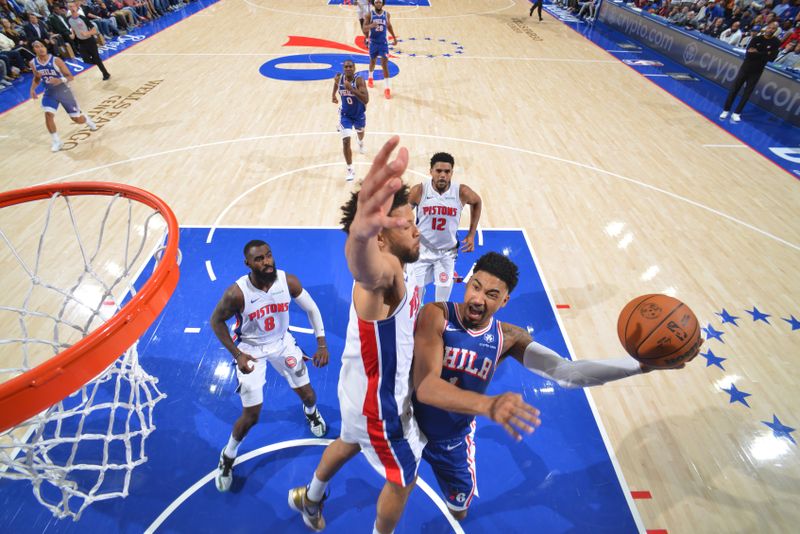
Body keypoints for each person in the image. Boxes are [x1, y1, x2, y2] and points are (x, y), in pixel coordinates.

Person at [287, 138, 538, 533]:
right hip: (381, 403)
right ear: (381, 238)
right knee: (404, 476)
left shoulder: (402, 268)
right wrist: (359, 235)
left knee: (350, 440)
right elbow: (364, 270)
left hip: (355, 386)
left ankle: (311, 497)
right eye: (407, 225)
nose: (418, 230)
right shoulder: (383, 278)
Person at [412, 252, 703, 520]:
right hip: (407, 422)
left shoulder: (509, 337)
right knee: (389, 475)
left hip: (453, 437)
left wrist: (640, 366)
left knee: (459, 509)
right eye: (475, 287)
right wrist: (489, 405)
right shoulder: (436, 315)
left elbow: (567, 373)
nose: (478, 299)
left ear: (504, 301)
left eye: (491, 294)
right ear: (467, 282)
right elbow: (427, 387)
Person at [210, 240, 329, 492]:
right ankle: (228, 456)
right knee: (251, 416)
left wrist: (321, 344)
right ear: (248, 264)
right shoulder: (237, 293)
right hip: (251, 351)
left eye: (269, 256)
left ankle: (311, 413)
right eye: (259, 259)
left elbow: (313, 309)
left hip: (282, 344)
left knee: (308, 395)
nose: (266, 262)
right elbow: (216, 321)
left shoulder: (288, 282)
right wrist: (237, 353)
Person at [409, 152, 482, 304]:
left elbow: (477, 202)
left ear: (452, 173)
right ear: (431, 171)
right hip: (421, 252)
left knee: (441, 302)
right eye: (438, 171)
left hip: (446, 254)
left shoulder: (461, 192)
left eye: (447, 171)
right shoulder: (419, 191)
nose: (442, 175)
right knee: (414, 298)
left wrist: (471, 234)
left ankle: (437, 325)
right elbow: (400, 214)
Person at [28, 39, 96, 152]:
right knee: (48, 114)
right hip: (49, 93)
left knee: (77, 119)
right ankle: (56, 141)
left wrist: (60, 80)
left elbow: (70, 77)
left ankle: (86, 119)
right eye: (36, 47)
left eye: (41, 46)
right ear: (34, 50)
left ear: (45, 47)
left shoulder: (56, 60)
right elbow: (37, 77)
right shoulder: (33, 63)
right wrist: (32, 89)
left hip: (64, 91)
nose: (40, 48)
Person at [719, 21, 782, 122]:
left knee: (747, 93)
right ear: (766, 27)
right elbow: (749, 54)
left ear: (776, 30)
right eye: (769, 27)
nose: (770, 30)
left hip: (757, 71)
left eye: (773, 28)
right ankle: (726, 110)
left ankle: (737, 113)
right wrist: (765, 54)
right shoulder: (756, 39)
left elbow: (772, 58)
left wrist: (757, 52)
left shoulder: (776, 42)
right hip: (746, 68)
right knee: (734, 90)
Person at [332, 59, 369, 182]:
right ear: (344, 68)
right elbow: (336, 84)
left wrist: (351, 89)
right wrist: (333, 95)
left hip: (358, 114)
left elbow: (366, 99)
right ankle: (350, 169)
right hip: (345, 115)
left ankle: (360, 141)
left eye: (350, 67)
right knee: (346, 141)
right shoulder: (339, 77)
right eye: (346, 67)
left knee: (360, 133)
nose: (348, 68)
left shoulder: (359, 80)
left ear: (354, 68)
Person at [67, 1, 111, 81]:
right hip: (81, 42)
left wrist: (87, 33)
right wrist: (72, 34)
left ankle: (105, 73)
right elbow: (72, 27)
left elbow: (94, 30)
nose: (71, 8)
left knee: (96, 58)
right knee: (86, 60)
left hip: (90, 41)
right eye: (70, 6)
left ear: (76, 7)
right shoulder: (68, 19)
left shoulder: (83, 18)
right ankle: (98, 61)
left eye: (73, 6)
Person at [363, 0, 396, 99]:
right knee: (372, 62)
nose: (378, 4)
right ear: (374, 3)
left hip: (383, 44)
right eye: (376, 2)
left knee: (384, 65)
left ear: (382, 3)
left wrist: (394, 37)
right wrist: (370, 26)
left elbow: (389, 26)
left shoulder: (387, 14)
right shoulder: (369, 15)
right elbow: (364, 28)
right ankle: (370, 77)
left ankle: (387, 88)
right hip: (373, 43)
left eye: (380, 2)